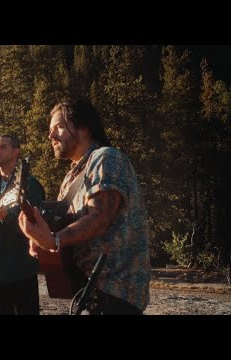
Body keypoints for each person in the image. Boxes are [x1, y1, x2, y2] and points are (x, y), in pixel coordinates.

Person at [18, 97, 151, 315]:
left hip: (115, 292)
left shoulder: (107, 158)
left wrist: (54, 240)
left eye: (59, 127)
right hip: (87, 293)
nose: (51, 136)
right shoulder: (70, 178)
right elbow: (66, 228)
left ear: (84, 129)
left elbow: (99, 217)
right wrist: (41, 240)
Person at [0, 135, 45, 315]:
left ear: (16, 152)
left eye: (2, 147)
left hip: (19, 266)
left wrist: (8, 217)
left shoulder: (30, 185)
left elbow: (36, 223)